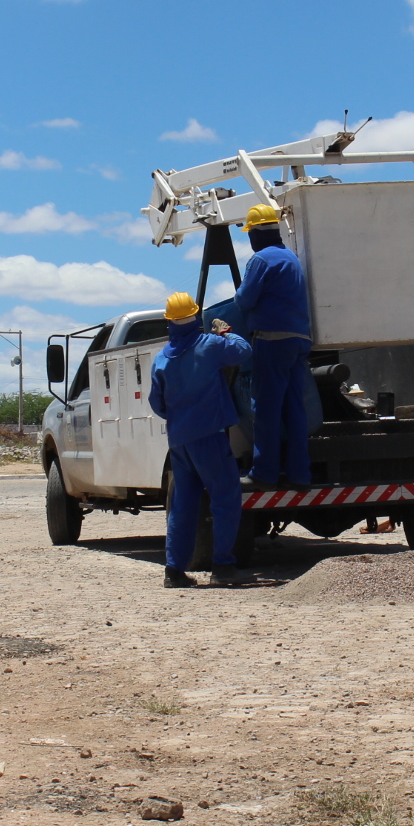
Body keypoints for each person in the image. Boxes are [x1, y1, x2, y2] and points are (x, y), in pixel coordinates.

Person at [149, 292, 254, 588]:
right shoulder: (210, 345)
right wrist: (226, 332)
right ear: (196, 317)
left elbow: (157, 405)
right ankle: (222, 566)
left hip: (180, 441)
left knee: (183, 504)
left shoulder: (161, 360)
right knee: (225, 498)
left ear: (169, 321)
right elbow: (243, 351)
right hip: (209, 436)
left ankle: (174, 570)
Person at [233, 204, 313, 487]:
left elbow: (243, 300)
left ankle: (264, 473)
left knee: (266, 408)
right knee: (294, 409)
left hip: (272, 340)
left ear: (255, 233)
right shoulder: (291, 258)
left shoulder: (261, 261)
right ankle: (300, 474)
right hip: (299, 339)